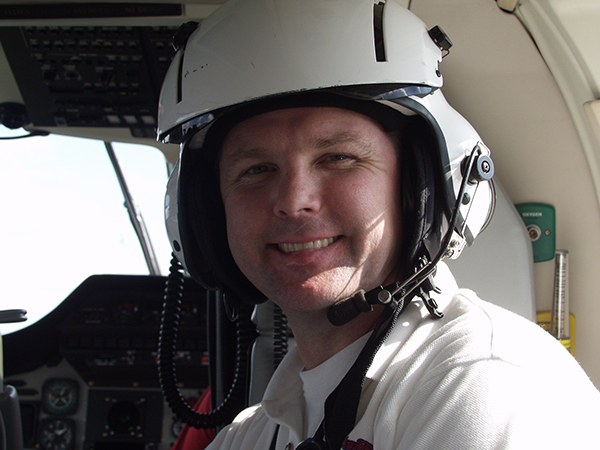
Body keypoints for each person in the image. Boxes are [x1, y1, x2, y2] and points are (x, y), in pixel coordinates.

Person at [158, 0, 600, 449]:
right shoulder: (252, 433)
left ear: (417, 192)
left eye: (338, 158)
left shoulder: (484, 386)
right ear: (205, 217)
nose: (293, 202)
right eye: (256, 170)